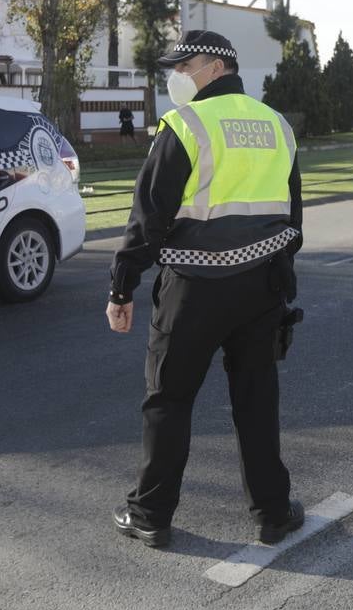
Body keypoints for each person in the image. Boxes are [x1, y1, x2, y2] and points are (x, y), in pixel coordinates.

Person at [105, 29, 305, 549]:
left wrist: (122, 287)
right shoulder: (277, 125)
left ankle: (150, 515)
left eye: (184, 65)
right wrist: (274, 274)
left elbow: (148, 216)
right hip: (261, 286)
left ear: (217, 67)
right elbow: (292, 218)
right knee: (256, 402)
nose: (176, 76)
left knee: (168, 401)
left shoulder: (186, 123)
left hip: (192, 290)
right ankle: (274, 513)